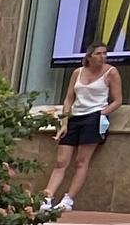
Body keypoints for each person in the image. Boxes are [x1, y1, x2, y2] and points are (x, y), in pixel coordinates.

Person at [40, 42, 122, 214]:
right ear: (89, 56)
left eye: (105, 54)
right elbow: (69, 98)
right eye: (98, 54)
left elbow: (117, 100)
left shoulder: (111, 72)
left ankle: (68, 199)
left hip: (94, 117)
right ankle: (47, 197)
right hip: (75, 117)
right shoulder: (78, 72)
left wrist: (101, 113)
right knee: (61, 161)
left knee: (81, 161)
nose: (102, 57)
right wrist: (64, 122)